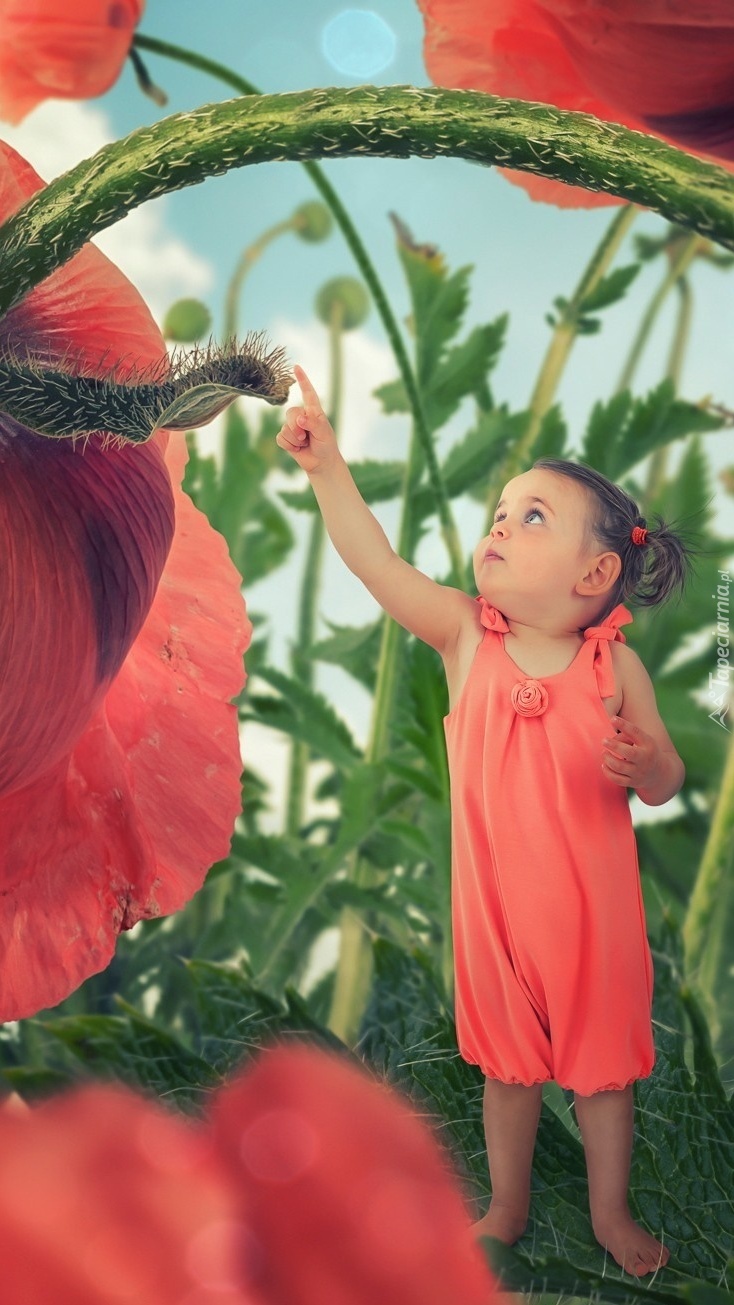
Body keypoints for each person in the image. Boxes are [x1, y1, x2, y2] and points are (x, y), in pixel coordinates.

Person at [277, 364, 692, 1278]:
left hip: (596, 929)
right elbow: (376, 563)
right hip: (498, 927)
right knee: (507, 1073)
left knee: (603, 1079)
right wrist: (328, 471)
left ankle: (609, 1210)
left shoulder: (613, 669)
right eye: (501, 509)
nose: (501, 522)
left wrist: (645, 761)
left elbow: (668, 775)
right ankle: (506, 1203)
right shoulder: (468, 634)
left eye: (532, 515)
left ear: (598, 571)